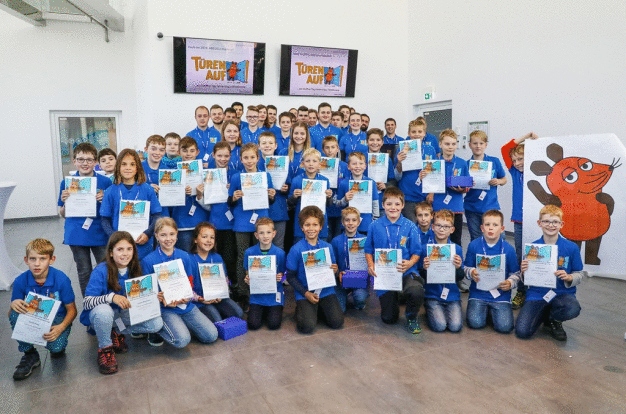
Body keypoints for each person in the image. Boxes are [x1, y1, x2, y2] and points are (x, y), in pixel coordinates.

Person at [80, 231, 164, 374]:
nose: (125, 254)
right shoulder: (101, 270)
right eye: (120, 249)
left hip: (121, 315)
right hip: (102, 315)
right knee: (104, 311)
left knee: (156, 324)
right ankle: (105, 348)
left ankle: (115, 331)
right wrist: (111, 297)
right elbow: (87, 302)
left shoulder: (136, 268)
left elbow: (140, 298)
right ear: (111, 252)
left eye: (129, 249)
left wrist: (153, 297)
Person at [141, 218, 218, 348]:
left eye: (171, 234)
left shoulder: (184, 256)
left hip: (186, 305)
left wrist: (188, 296)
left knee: (211, 336)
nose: (168, 239)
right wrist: (159, 298)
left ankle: (179, 323)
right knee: (182, 340)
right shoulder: (148, 261)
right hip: (165, 308)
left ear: (177, 234)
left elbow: (189, 283)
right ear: (156, 236)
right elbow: (147, 294)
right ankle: (154, 329)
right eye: (163, 235)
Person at [9, 239, 77, 380]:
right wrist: (13, 305)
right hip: (31, 316)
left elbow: (72, 310)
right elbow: (11, 315)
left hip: (56, 319)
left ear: (52, 260)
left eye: (42, 259)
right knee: (15, 313)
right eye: (32, 259)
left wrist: (61, 327)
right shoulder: (20, 281)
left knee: (57, 349)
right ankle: (30, 354)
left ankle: (56, 344)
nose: (37, 263)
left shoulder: (61, 279)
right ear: (26, 260)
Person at [515, 205, 583, 341]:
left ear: (561, 224)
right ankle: (544, 312)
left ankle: (554, 319)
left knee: (572, 308)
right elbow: (524, 279)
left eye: (555, 222)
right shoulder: (532, 248)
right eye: (546, 221)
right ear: (539, 223)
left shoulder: (571, 247)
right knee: (522, 332)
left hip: (562, 294)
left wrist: (569, 277)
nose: (551, 225)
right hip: (537, 294)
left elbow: (579, 273)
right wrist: (523, 272)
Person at [364, 187, 424, 333]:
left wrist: (410, 263)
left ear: (403, 205)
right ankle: (395, 298)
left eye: (397, 204)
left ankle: (411, 316)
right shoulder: (374, 225)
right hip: (384, 274)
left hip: (405, 271)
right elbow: (368, 250)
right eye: (389, 204)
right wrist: (371, 265)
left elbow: (417, 252)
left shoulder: (410, 226)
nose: (393, 207)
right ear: (383, 205)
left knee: (416, 291)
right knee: (389, 319)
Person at [58, 142, 112, 296]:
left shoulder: (105, 182)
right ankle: (89, 303)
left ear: (95, 162)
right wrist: (66, 202)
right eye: (81, 159)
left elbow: (112, 210)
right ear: (74, 161)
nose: (85, 163)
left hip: (99, 232)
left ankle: (105, 300)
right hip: (76, 233)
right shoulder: (66, 183)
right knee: (84, 271)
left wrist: (104, 200)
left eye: (89, 160)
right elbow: (62, 213)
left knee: (105, 268)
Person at [228, 143, 276, 307]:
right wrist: (234, 197)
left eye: (252, 157)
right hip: (242, 221)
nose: (249, 161)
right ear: (240, 159)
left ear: (258, 158)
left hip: (261, 221)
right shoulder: (236, 177)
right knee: (243, 256)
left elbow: (271, 200)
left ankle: (261, 289)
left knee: (262, 256)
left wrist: (271, 195)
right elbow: (230, 202)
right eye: (245, 158)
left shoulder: (265, 176)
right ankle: (243, 292)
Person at [286, 206, 344, 334]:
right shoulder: (296, 249)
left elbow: (334, 270)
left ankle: (316, 310)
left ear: (321, 227)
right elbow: (290, 276)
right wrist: (305, 293)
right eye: (307, 225)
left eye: (315, 224)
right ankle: (302, 311)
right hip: (305, 291)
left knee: (337, 322)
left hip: (325, 290)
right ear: (302, 227)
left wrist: (335, 270)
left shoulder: (327, 247)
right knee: (307, 327)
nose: (311, 228)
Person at [463, 210, 520, 333]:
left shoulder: (509, 249)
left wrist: (510, 283)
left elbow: (516, 274)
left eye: (495, 225)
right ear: (482, 228)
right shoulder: (474, 245)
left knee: (505, 327)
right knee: (475, 323)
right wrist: (472, 272)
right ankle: (486, 311)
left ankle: (491, 311)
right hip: (478, 294)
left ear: (502, 228)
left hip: (500, 295)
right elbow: (465, 267)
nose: (491, 228)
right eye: (487, 224)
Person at [100, 148, 162, 260]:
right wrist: (115, 238)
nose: (128, 167)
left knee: (143, 274)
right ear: (118, 167)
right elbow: (105, 219)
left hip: (143, 243)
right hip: (119, 245)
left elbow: (157, 216)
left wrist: (148, 234)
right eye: (124, 164)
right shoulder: (110, 191)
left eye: (132, 164)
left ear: (137, 167)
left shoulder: (147, 189)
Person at [501, 132, 539, 310]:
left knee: (537, 257)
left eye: (521, 158)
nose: (517, 163)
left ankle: (537, 291)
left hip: (537, 222)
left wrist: (536, 144)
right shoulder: (515, 172)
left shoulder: (538, 172)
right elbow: (505, 149)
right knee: (520, 257)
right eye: (514, 160)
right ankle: (522, 290)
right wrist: (526, 136)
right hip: (519, 222)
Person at [190, 222, 244, 322]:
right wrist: (200, 299)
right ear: (195, 239)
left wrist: (222, 293)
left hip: (217, 298)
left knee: (238, 314)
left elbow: (226, 280)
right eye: (204, 236)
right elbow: (186, 288)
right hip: (200, 301)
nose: (208, 240)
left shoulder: (217, 257)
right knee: (217, 319)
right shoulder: (189, 259)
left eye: (212, 237)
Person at [201, 141, 237, 287]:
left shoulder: (235, 175)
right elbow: (205, 204)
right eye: (219, 155)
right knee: (215, 257)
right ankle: (216, 287)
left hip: (232, 223)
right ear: (213, 155)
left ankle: (231, 287)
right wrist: (200, 194)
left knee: (230, 258)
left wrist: (232, 193)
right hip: (214, 222)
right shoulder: (207, 175)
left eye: (226, 156)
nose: (223, 159)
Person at [422, 209, 464, 332]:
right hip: (432, 295)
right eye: (439, 226)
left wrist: (458, 267)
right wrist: (425, 268)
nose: (441, 229)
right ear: (433, 227)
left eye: (446, 227)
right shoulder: (426, 249)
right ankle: (429, 309)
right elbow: (421, 276)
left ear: (452, 229)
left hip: (452, 295)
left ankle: (443, 310)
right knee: (440, 326)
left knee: (455, 327)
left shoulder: (457, 249)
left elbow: (460, 277)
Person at [428, 129, 470, 246]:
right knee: (438, 238)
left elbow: (467, 185)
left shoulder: (462, 163)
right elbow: (428, 184)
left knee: (456, 239)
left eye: (453, 144)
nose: (450, 147)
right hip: (438, 206)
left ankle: (457, 264)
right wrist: (424, 178)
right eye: (447, 144)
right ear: (440, 144)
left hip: (456, 207)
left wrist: (463, 189)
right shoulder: (433, 163)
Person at [168, 137, 211, 252]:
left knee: (201, 257)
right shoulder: (172, 173)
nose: (188, 154)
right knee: (186, 257)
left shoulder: (206, 173)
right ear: (178, 152)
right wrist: (178, 193)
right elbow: (168, 201)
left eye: (192, 151)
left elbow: (210, 206)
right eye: (185, 150)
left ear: (198, 152)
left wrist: (199, 196)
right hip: (182, 225)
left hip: (201, 223)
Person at [243, 218, 286, 330]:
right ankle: (259, 310)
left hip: (274, 294)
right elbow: (248, 274)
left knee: (274, 325)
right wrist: (248, 280)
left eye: (268, 232)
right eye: (261, 233)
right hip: (257, 295)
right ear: (256, 235)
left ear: (274, 234)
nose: (265, 236)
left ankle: (273, 309)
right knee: (253, 325)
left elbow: (285, 275)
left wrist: (281, 277)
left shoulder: (280, 253)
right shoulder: (249, 253)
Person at [464, 130, 507, 241]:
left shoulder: (494, 161)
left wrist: (498, 181)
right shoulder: (466, 164)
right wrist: (466, 184)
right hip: (472, 208)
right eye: (475, 143)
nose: (478, 146)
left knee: (498, 237)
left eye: (481, 143)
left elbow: (504, 179)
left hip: (490, 206)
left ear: (486, 145)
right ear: (470, 145)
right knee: (476, 238)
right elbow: (462, 188)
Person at [395, 119, 437, 223]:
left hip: (425, 196)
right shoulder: (401, 149)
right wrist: (399, 162)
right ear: (409, 133)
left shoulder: (430, 149)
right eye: (413, 132)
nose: (417, 134)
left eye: (420, 132)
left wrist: (431, 193)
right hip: (408, 195)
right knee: (411, 226)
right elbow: (396, 176)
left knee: (425, 226)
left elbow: (435, 173)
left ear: (424, 133)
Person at [288, 148, 333, 242]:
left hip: (320, 220)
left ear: (319, 164)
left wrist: (329, 197)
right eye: (308, 161)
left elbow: (329, 205)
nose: (311, 164)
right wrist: (294, 196)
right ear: (303, 163)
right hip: (301, 221)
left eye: (314, 161)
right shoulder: (296, 180)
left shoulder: (325, 180)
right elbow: (289, 203)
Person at [332, 207, 369, 312]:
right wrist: (338, 272)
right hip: (340, 279)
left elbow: (369, 261)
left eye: (354, 220)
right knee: (340, 310)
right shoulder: (335, 241)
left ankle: (359, 296)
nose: (350, 223)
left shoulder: (365, 240)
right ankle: (344, 294)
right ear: (342, 222)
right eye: (347, 220)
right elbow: (333, 263)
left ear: (358, 222)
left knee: (360, 298)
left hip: (359, 277)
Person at [258, 131, 289, 250]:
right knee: (261, 245)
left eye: (270, 143)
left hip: (279, 209)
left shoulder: (282, 162)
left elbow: (289, 184)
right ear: (258, 146)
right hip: (260, 210)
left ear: (276, 145)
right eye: (264, 143)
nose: (267, 145)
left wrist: (286, 188)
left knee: (278, 245)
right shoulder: (253, 163)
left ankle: (279, 269)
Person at [336, 151, 380, 234]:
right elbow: (338, 204)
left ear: (365, 166)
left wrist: (375, 221)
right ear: (348, 166)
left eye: (360, 163)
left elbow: (375, 203)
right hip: (348, 224)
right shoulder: (344, 183)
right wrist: (345, 199)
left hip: (366, 223)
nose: (357, 166)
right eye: (354, 164)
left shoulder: (371, 182)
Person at [322, 135, 349, 241]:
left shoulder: (344, 166)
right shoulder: (319, 165)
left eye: (333, 147)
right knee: (327, 237)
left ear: (337, 148)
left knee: (338, 237)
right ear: (323, 150)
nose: (330, 150)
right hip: (325, 207)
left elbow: (347, 184)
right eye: (327, 147)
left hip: (340, 208)